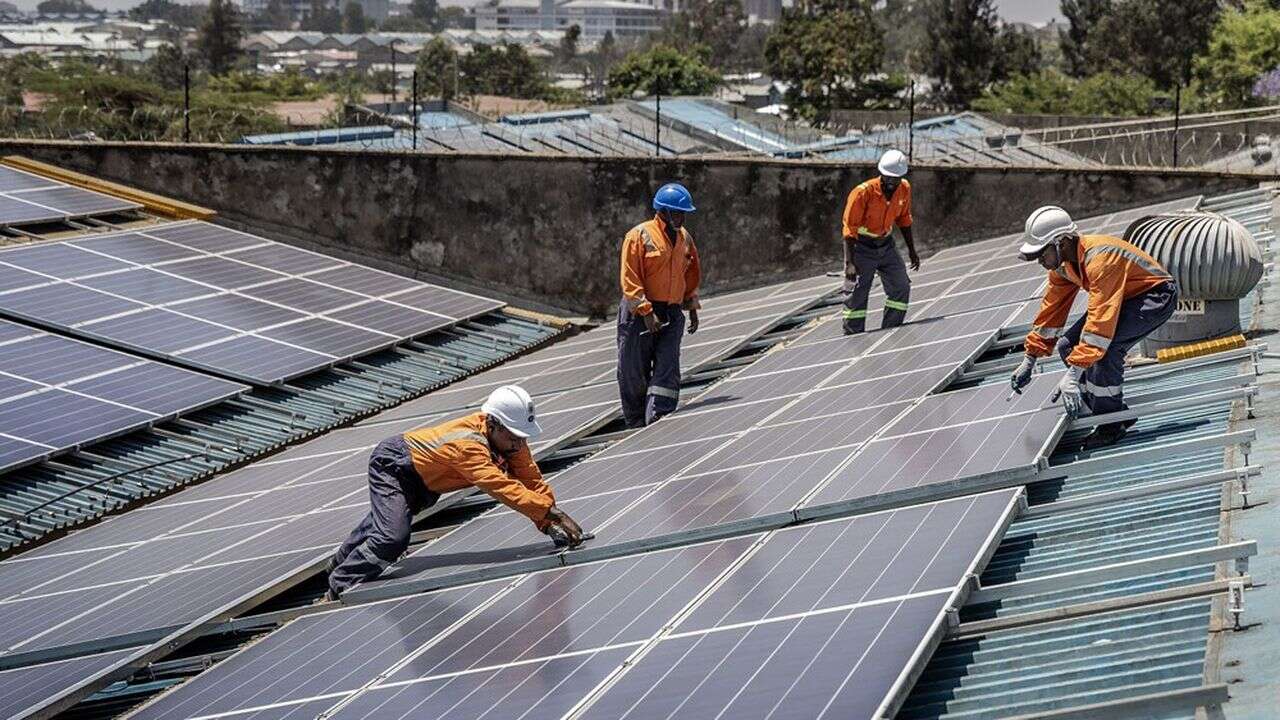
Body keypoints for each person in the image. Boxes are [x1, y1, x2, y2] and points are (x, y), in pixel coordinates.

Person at [326, 385, 583, 598]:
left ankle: (338, 562)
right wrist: (553, 514)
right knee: (392, 538)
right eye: (515, 436)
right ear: (493, 424)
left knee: (386, 524)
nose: (520, 443)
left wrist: (549, 525)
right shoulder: (467, 446)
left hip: (426, 479)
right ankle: (340, 584)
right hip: (394, 466)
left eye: (522, 437)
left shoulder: (512, 441)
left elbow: (531, 480)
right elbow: (504, 488)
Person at [1010, 205, 1178, 448]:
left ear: (1062, 242)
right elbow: (1051, 312)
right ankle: (1115, 411)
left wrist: (1073, 374)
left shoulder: (1100, 259)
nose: (1040, 261)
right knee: (1068, 345)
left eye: (1042, 254)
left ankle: (1110, 426)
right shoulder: (1063, 266)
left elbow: (1100, 324)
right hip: (1124, 298)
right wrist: (1030, 359)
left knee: (1105, 350)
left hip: (1154, 297)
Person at [616, 182, 702, 428]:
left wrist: (692, 305)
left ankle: (659, 417)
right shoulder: (639, 236)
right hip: (640, 314)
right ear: (662, 211)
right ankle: (635, 421)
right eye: (676, 212)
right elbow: (630, 278)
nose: (680, 218)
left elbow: (691, 273)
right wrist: (645, 311)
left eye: (683, 213)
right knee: (633, 369)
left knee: (667, 365)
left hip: (672, 312)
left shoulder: (685, 238)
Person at [840, 149, 922, 335]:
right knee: (858, 292)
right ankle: (853, 335)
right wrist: (849, 263)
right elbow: (849, 229)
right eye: (889, 177)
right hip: (862, 247)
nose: (892, 182)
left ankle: (891, 332)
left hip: (886, 246)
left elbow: (904, 220)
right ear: (881, 174)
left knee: (901, 285)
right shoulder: (862, 193)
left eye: (897, 178)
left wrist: (912, 250)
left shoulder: (904, 189)